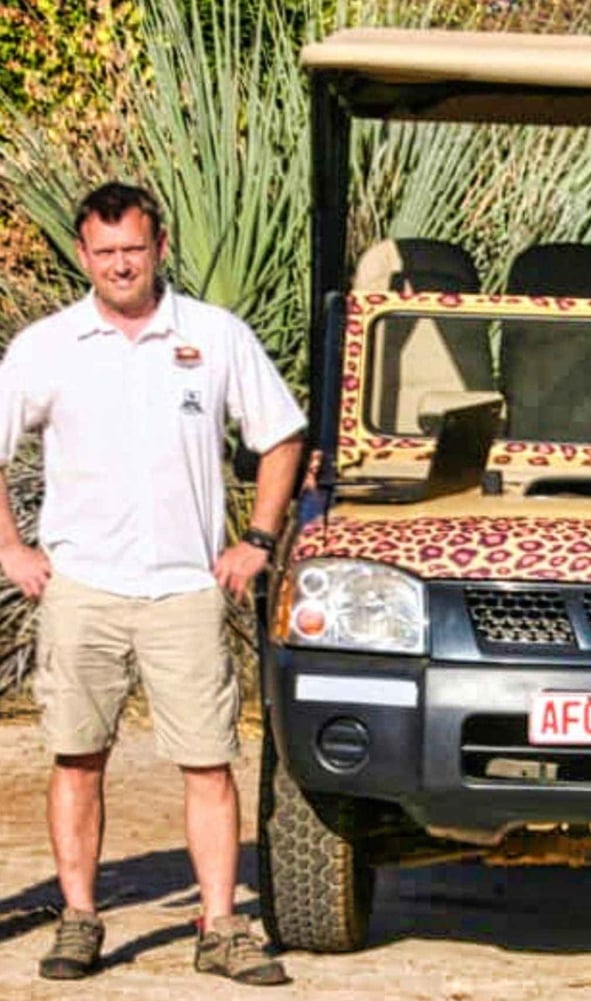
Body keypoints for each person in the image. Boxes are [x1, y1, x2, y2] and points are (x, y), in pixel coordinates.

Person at [0, 182, 306, 985]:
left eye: (133, 249)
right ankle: (78, 918)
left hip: (186, 590)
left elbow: (282, 435)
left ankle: (222, 927)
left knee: (208, 759)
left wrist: (258, 540)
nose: (120, 265)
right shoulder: (47, 346)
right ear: (83, 255)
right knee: (76, 756)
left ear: (159, 245)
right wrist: (11, 549)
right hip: (82, 587)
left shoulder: (214, 335)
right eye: (104, 253)